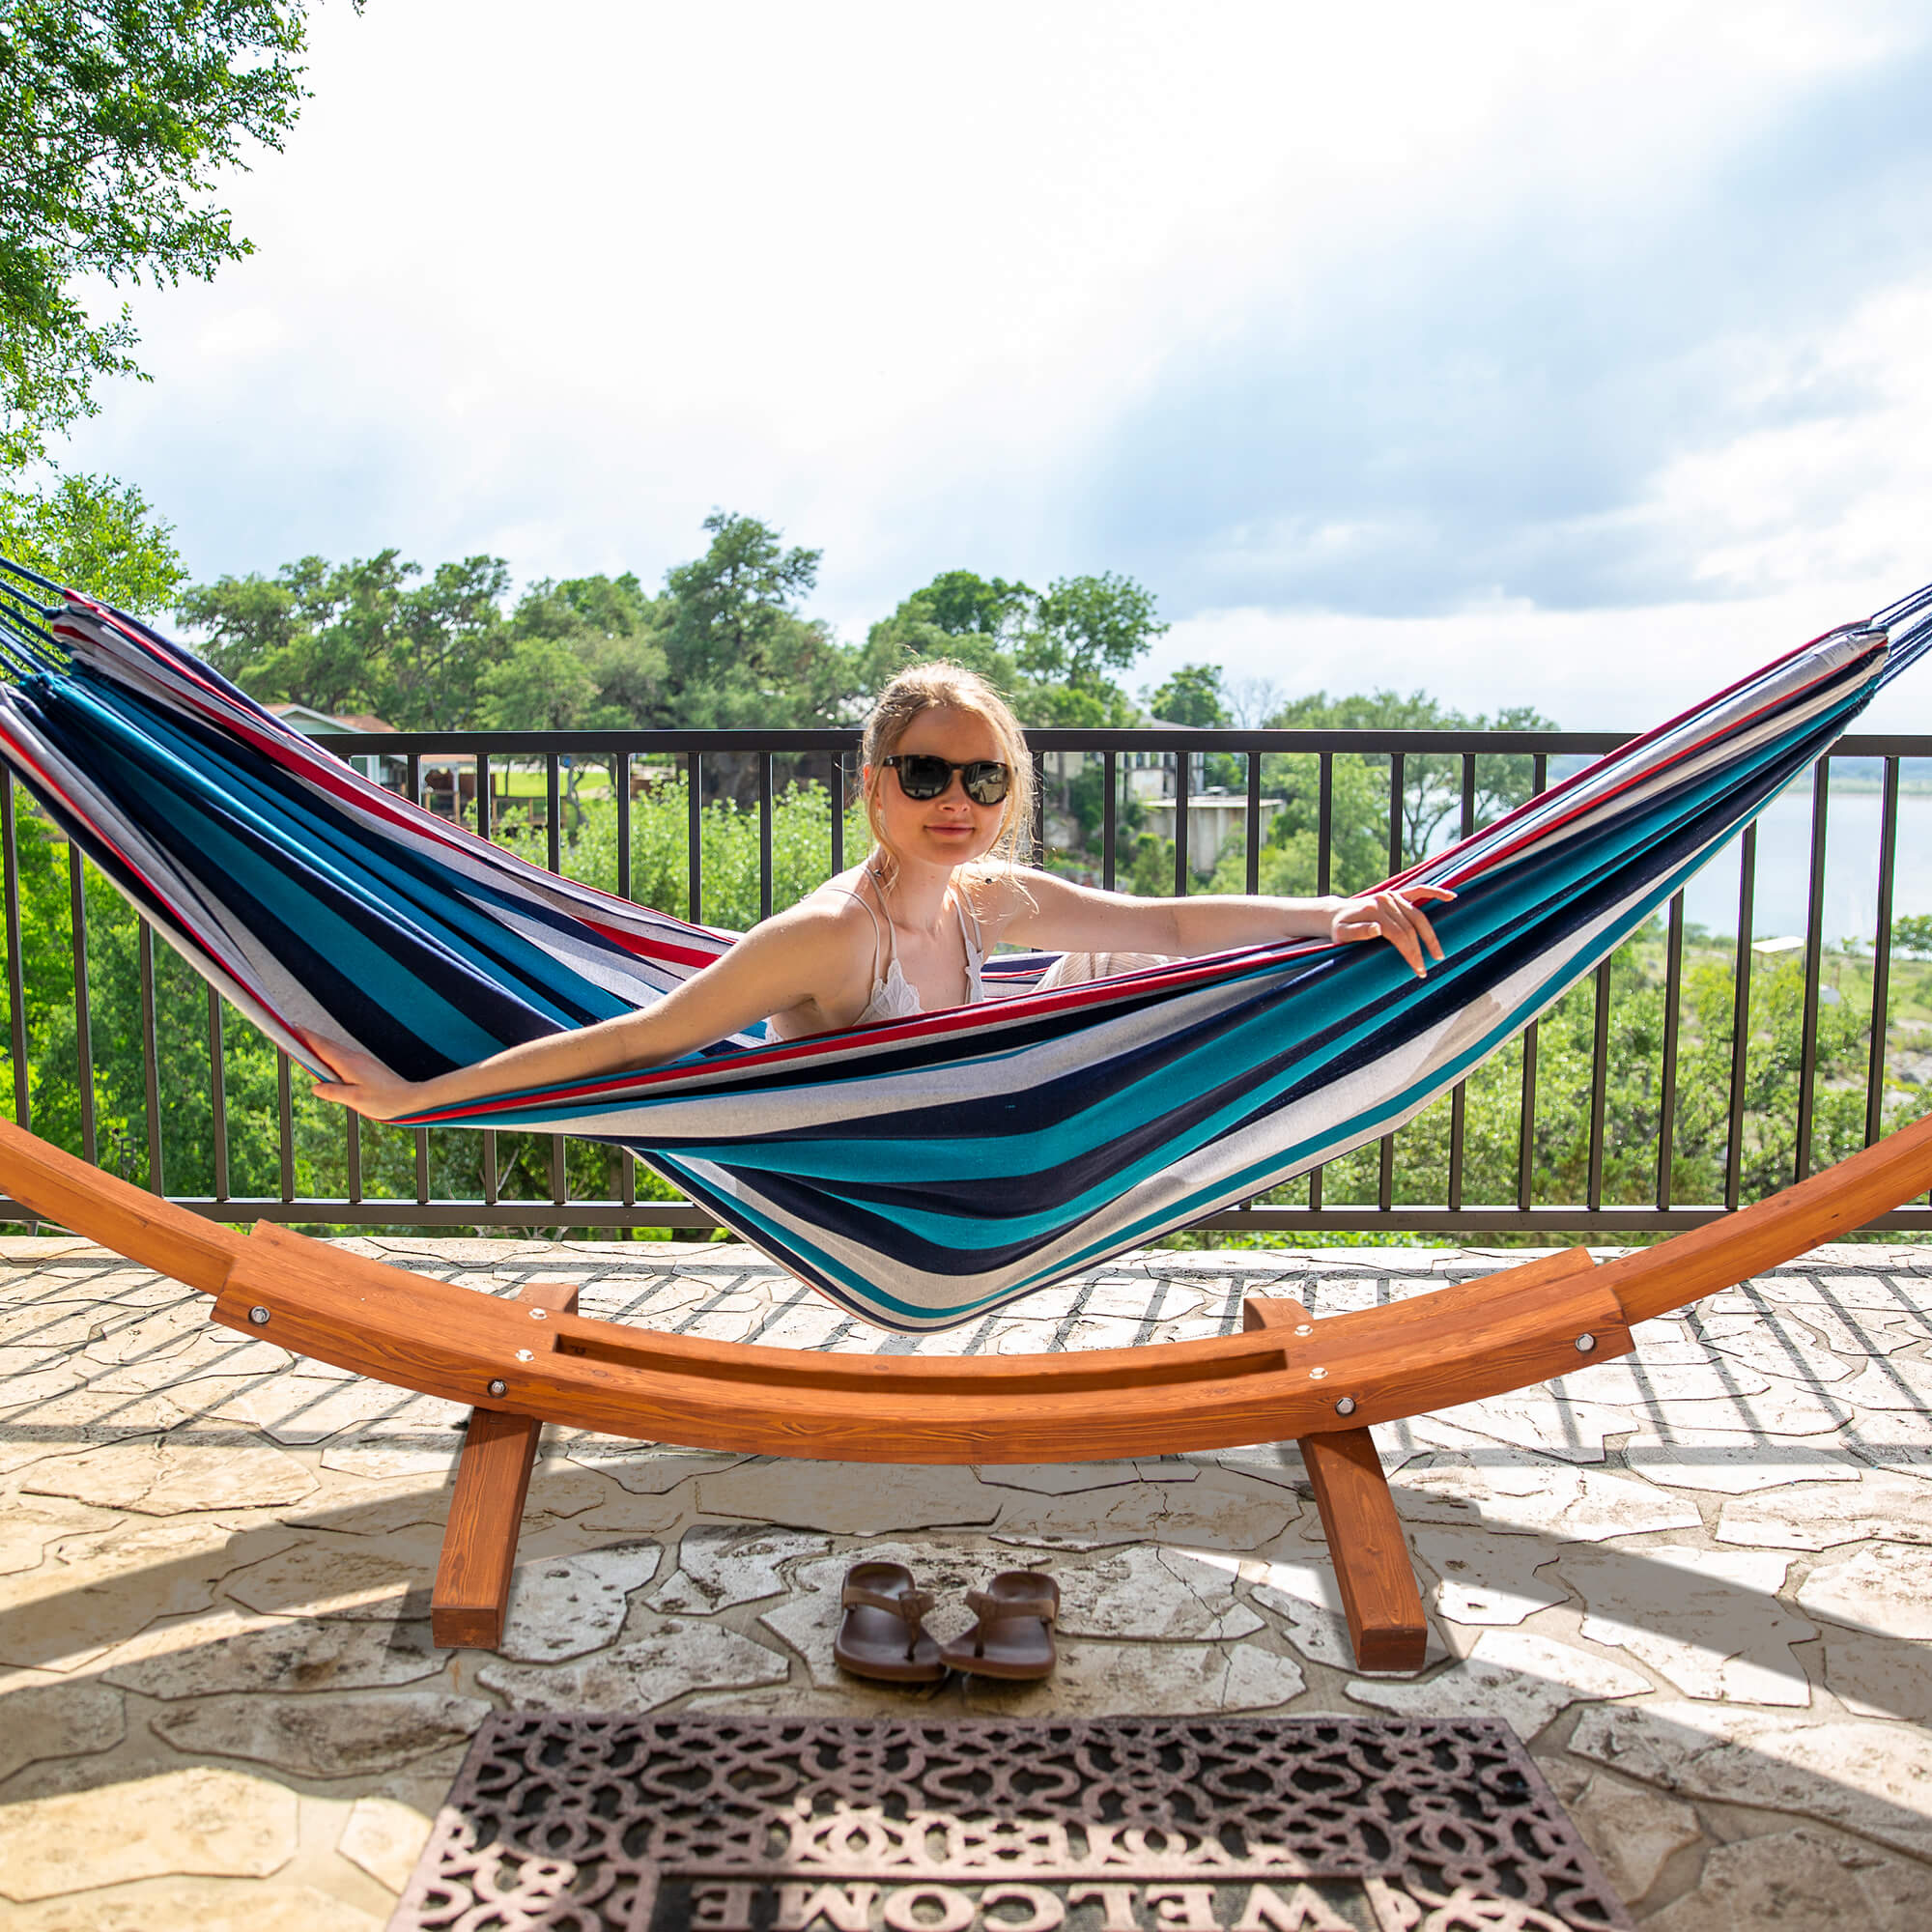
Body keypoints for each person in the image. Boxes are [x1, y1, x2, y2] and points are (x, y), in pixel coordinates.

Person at [311, 662, 1451, 1122]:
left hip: (994, 1133)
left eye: (981, 776)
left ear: (1007, 790)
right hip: (893, 1167)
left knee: (1126, 962)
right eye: (923, 773)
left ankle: (1160, 1160)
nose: (952, 798)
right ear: (873, 786)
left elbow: (1165, 920)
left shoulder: (985, 894)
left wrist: (1335, 912)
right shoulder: (827, 937)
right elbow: (641, 1037)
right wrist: (426, 1095)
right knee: (1113, 976)